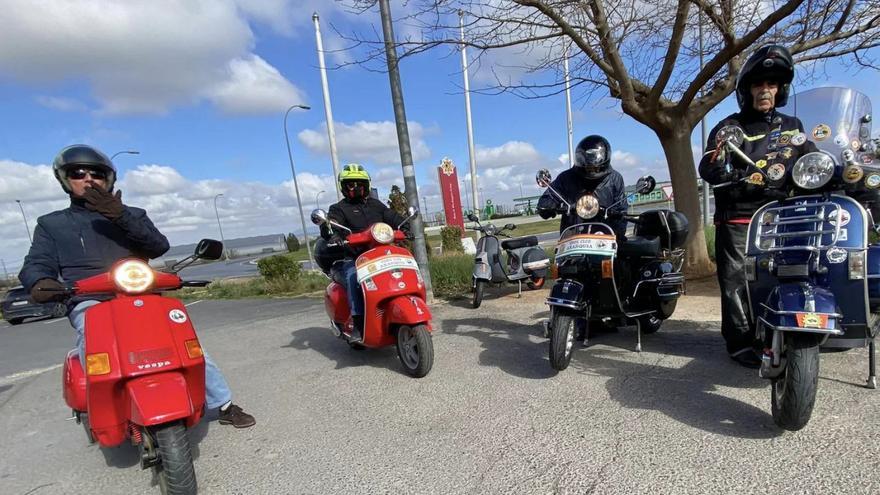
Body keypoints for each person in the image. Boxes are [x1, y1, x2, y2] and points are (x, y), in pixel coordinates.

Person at [19, 144, 255, 428]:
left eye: (97, 173)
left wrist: (119, 216)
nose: (89, 178)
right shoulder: (52, 225)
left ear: (109, 178)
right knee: (93, 344)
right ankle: (106, 413)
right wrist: (39, 280)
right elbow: (37, 261)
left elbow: (158, 246)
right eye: (78, 173)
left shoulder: (131, 214)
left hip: (140, 294)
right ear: (65, 180)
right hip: (90, 298)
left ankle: (224, 404)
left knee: (189, 345)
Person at [698, 44, 816, 368]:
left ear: (780, 89)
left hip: (783, 215)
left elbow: (810, 159)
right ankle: (739, 342)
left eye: (771, 84)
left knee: (788, 273)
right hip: (739, 217)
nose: (765, 90)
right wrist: (724, 170)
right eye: (758, 84)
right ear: (747, 89)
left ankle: (789, 329)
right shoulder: (730, 126)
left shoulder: (793, 126)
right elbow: (708, 166)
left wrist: (828, 170)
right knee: (736, 281)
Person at [320, 163, 409, 342]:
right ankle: (359, 325)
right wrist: (333, 234)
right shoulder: (339, 208)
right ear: (343, 187)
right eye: (350, 184)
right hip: (354, 257)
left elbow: (392, 217)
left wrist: (406, 224)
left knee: (405, 265)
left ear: (366, 185)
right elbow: (331, 224)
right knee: (354, 277)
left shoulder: (376, 205)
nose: (355, 187)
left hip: (381, 254)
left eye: (359, 183)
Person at [537, 135, 627, 240]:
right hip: (572, 237)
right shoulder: (566, 178)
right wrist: (549, 206)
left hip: (604, 238)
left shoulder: (614, 178)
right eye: (587, 165)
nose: (591, 168)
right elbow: (549, 197)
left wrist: (617, 234)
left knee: (624, 251)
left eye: (595, 166)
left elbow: (621, 209)